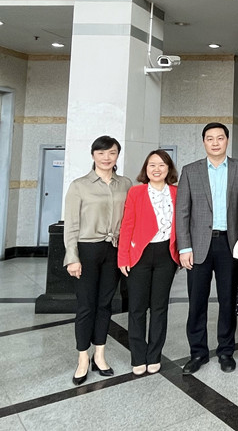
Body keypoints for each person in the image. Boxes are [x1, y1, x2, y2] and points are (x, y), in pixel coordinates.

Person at [176, 122, 238, 375]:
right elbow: (182, 212)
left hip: (230, 244)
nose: (215, 142)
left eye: (220, 138)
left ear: (227, 140)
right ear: (204, 142)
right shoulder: (190, 171)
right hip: (199, 245)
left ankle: (226, 351)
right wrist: (184, 247)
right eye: (210, 138)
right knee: (197, 301)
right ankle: (197, 353)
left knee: (228, 300)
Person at [64, 135, 132, 385]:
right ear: (93, 155)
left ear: (117, 155)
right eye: (101, 153)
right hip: (87, 250)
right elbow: (71, 225)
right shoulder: (79, 186)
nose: (106, 158)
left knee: (105, 304)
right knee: (86, 305)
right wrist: (72, 257)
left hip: (113, 250)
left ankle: (99, 355)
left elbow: (130, 219)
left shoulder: (125, 184)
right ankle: (83, 358)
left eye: (112, 153)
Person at [118, 149, 180, 376]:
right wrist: (123, 257)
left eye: (162, 165)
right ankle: (138, 356)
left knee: (159, 307)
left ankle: (154, 355)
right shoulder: (136, 192)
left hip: (166, 255)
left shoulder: (176, 192)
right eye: (152, 165)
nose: (156, 169)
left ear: (168, 169)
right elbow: (127, 225)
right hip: (140, 255)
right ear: (146, 168)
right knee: (137, 308)